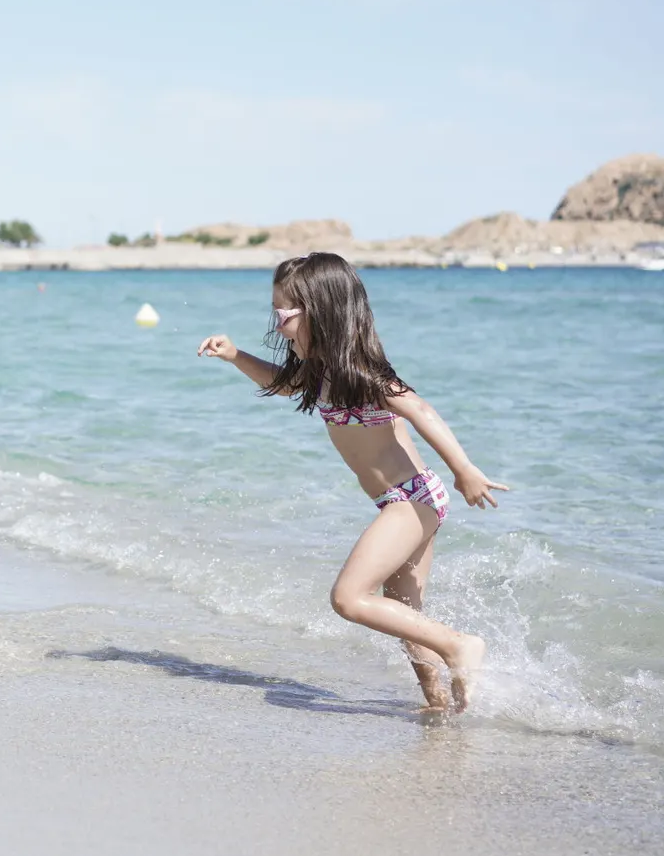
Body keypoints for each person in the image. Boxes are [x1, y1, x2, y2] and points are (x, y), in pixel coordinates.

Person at [198, 252, 506, 712]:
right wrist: (236, 355)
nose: (277, 325)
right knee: (405, 619)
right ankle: (441, 707)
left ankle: (460, 646)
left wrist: (465, 470)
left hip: (412, 499)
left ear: (320, 312)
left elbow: (420, 409)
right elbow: (285, 384)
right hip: (402, 499)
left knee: (349, 598)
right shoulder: (320, 370)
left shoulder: (361, 374)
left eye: (283, 314)